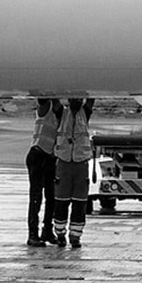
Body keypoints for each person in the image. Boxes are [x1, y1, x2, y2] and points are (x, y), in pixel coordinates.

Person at [51, 97, 94, 249]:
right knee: (61, 202)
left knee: (79, 203)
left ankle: (75, 236)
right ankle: (60, 234)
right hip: (64, 163)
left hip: (80, 164)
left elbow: (91, 98)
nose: (75, 100)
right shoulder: (62, 113)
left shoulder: (85, 112)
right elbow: (54, 102)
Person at [26, 98, 62, 247]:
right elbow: (42, 99)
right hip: (37, 155)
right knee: (36, 196)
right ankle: (32, 234)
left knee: (51, 197)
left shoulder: (63, 116)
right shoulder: (47, 109)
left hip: (50, 158)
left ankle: (47, 230)